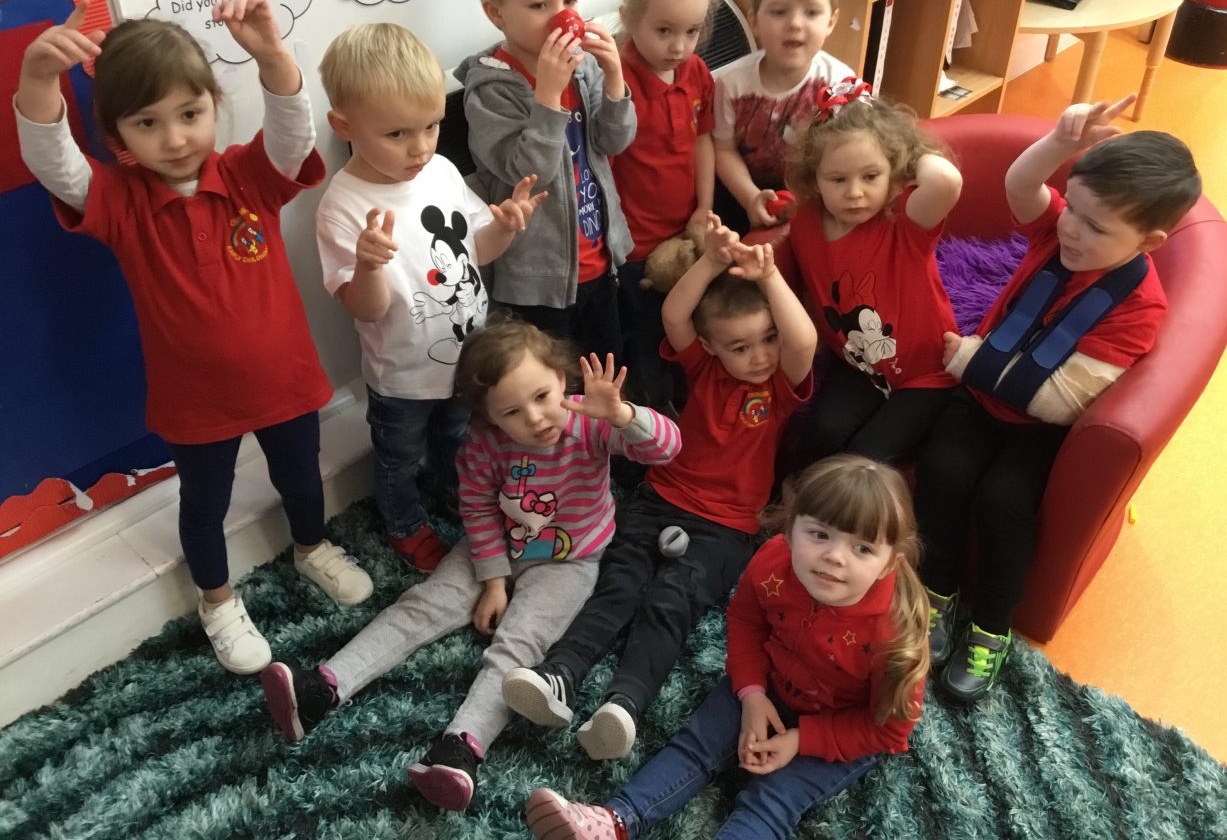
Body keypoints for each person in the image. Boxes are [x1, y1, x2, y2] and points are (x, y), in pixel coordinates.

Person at [14, 0, 372, 675]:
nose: (175, 138)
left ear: (213, 103)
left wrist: (273, 57)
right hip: (195, 403)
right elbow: (55, 163)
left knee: (302, 477)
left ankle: (312, 547)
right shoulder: (118, 201)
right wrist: (36, 81)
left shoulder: (246, 175)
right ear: (117, 132)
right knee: (204, 504)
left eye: (189, 113)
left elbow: (291, 135)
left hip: (286, 381)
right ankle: (217, 601)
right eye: (147, 123)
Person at [259, 318, 680, 812]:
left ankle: (463, 748)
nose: (535, 418)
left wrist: (623, 413)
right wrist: (494, 580)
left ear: (562, 378)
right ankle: (323, 687)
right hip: (496, 544)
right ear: (487, 416)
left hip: (571, 561)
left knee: (519, 646)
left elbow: (667, 448)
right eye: (512, 411)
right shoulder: (483, 445)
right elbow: (478, 510)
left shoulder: (591, 422)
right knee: (420, 606)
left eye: (542, 396)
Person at [916, 96, 1201, 702]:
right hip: (981, 401)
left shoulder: (1139, 308)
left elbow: (1060, 401)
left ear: (1149, 241)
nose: (1071, 227)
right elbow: (1019, 185)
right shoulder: (1059, 232)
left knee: (1004, 504)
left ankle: (991, 627)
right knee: (941, 471)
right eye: (1073, 207)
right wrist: (1058, 145)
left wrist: (966, 358)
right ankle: (936, 593)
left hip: (1039, 430)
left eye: (1096, 227)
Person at [502, 214, 816, 761]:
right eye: (740, 347)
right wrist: (711, 260)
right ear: (712, 347)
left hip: (727, 527)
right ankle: (560, 673)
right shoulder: (704, 368)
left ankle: (624, 705)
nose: (760, 355)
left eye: (768, 339)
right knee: (619, 584)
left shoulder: (780, 386)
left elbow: (804, 339)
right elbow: (674, 314)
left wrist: (768, 276)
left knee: (672, 601)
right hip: (661, 497)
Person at [523, 454, 931, 840]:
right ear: (790, 529)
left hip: (841, 722)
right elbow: (746, 621)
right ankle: (616, 820)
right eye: (820, 534)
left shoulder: (896, 636)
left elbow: (889, 727)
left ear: (890, 563)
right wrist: (751, 693)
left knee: (772, 801)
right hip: (768, 683)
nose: (835, 557)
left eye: (862, 548)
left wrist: (801, 740)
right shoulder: (773, 560)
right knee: (694, 747)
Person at [314, 23, 544, 573]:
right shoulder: (342, 206)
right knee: (397, 458)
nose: (420, 147)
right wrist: (368, 265)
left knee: (458, 436)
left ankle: (456, 490)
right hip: (402, 378)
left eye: (432, 125)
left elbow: (477, 250)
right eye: (397, 134)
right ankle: (404, 523)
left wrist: (505, 227)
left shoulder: (440, 171)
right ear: (344, 126)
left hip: (469, 359)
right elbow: (365, 308)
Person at [455, 0, 636, 359]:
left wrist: (614, 79)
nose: (562, 17)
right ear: (496, 13)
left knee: (606, 370)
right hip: (537, 282)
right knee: (552, 380)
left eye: (569, 0)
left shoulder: (584, 66)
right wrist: (549, 97)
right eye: (540, 4)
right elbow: (528, 171)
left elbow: (615, 142)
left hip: (599, 260)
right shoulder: (491, 89)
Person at [783, 79, 962, 473]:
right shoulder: (805, 223)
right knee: (821, 433)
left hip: (926, 375)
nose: (854, 193)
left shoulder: (904, 222)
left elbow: (946, 181)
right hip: (859, 368)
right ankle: (795, 504)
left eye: (870, 176)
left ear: (895, 174)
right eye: (838, 179)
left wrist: (908, 152)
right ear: (815, 179)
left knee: (867, 458)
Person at [613, 0, 722, 414]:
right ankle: (649, 416)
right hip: (635, 248)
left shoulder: (696, 73)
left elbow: (704, 140)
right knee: (645, 337)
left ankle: (689, 404)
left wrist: (705, 206)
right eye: (664, 31)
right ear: (628, 17)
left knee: (689, 326)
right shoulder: (616, 77)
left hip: (687, 235)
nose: (679, 46)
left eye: (692, 31)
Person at [713, 0, 855, 232]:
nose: (795, 24)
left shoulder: (841, 83)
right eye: (779, 12)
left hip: (816, 193)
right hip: (742, 191)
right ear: (754, 21)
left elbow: (850, 156)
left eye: (811, 12)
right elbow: (723, 151)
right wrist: (750, 198)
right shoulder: (729, 84)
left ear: (831, 21)